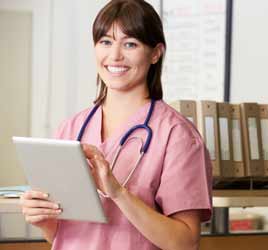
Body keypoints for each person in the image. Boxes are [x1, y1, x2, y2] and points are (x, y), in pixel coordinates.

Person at [20, 0, 212, 249]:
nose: (115, 55)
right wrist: (43, 219)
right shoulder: (71, 129)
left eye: (130, 44)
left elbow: (185, 242)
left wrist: (118, 193)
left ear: (155, 53)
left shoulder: (178, 136)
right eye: (106, 42)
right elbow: (66, 235)